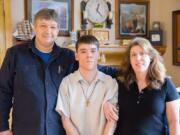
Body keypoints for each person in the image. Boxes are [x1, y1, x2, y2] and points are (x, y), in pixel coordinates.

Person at [0, 9, 118, 135]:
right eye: (43, 26)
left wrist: (130, 71)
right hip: (25, 129)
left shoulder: (67, 56)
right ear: (34, 28)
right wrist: (3, 128)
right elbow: (3, 91)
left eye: (53, 27)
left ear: (58, 30)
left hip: (57, 130)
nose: (48, 31)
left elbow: (93, 67)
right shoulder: (15, 54)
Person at [105, 37, 180, 135]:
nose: (138, 58)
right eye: (133, 55)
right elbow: (100, 72)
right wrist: (106, 103)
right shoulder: (121, 82)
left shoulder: (165, 84)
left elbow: (173, 121)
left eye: (142, 54)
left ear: (151, 57)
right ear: (130, 60)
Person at [55, 35, 118, 135]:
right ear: (76, 55)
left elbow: (112, 121)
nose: (89, 55)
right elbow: (65, 120)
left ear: (98, 54)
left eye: (93, 51)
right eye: (83, 51)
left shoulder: (110, 82)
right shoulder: (67, 82)